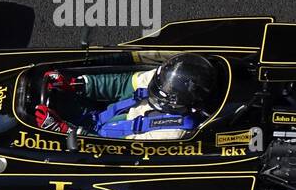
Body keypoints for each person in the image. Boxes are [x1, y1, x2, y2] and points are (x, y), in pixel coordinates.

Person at [34, 53, 219, 139]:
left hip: (97, 138)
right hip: (102, 116)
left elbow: (113, 149)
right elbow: (123, 84)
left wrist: (66, 131)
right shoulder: (170, 77)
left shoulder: (171, 133)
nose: (154, 85)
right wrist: (76, 84)